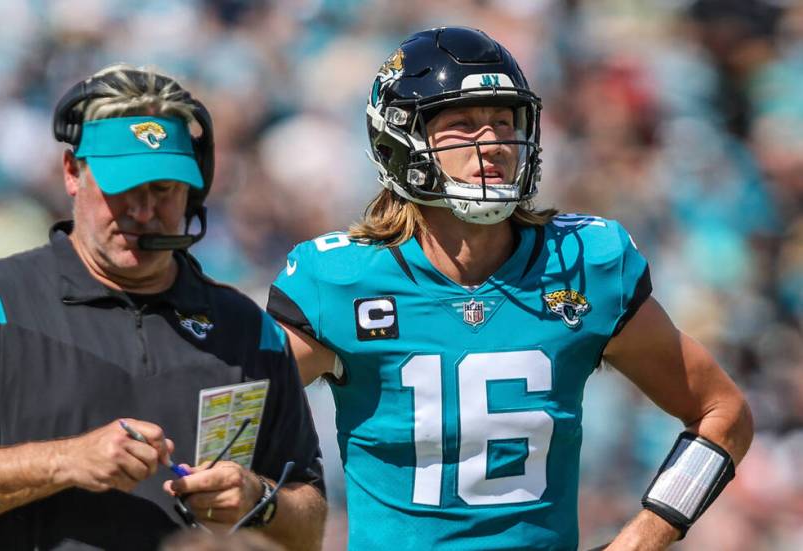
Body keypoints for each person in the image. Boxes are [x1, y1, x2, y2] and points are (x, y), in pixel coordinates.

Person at [267, 27, 753, 550]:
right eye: (461, 124)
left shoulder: (584, 264)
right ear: (399, 140)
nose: (494, 142)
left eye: (504, 120)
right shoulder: (340, 282)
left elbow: (723, 415)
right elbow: (229, 414)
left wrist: (643, 538)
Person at [0, 64, 326, 551]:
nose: (143, 210)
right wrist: (67, 461)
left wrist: (257, 499)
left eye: (163, 189)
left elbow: (309, 526)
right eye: (124, 188)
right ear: (73, 172)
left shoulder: (248, 329)